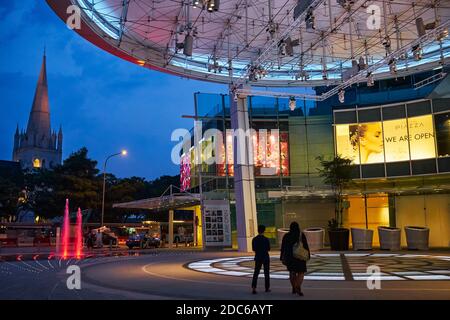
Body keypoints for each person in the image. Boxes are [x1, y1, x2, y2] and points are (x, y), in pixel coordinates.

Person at [280, 222, 310, 296]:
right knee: (301, 272)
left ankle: (293, 287)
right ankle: (298, 286)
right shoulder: (301, 235)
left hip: (290, 257)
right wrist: (308, 255)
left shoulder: (286, 236)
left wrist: (282, 257)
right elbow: (306, 246)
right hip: (300, 257)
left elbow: (283, 247)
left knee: (292, 272)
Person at [251, 225, 271, 294]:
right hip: (265, 257)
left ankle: (254, 287)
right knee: (266, 273)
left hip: (258, 257)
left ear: (258, 230)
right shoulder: (266, 239)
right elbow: (268, 248)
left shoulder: (254, 239)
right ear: (264, 230)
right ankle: (267, 288)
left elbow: (253, 249)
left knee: (256, 272)